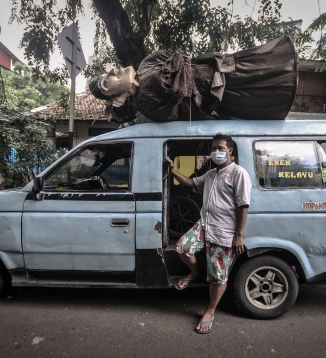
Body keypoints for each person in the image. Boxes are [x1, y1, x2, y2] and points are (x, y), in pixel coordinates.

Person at [89, 36, 298, 123]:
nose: (113, 71)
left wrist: (178, 73)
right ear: (117, 98)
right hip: (216, 94)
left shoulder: (147, 64)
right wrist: (179, 77)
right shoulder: (144, 101)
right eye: (107, 82)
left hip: (218, 69)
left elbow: (177, 59)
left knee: (260, 68)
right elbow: (175, 102)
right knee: (259, 91)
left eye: (108, 73)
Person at [165, 133, 252, 334]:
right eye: (214, 148)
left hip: (224, 231)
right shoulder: (212, 174)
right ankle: (194, 272)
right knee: (182, 248)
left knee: (217, 277)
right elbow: (191, 183)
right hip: (204, 224)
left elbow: (243, 206)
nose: (216, 152)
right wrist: (172, 171)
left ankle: (210, 311)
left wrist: (238, 235)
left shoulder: (239, 174)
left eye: (221, 148)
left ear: (230, 151)